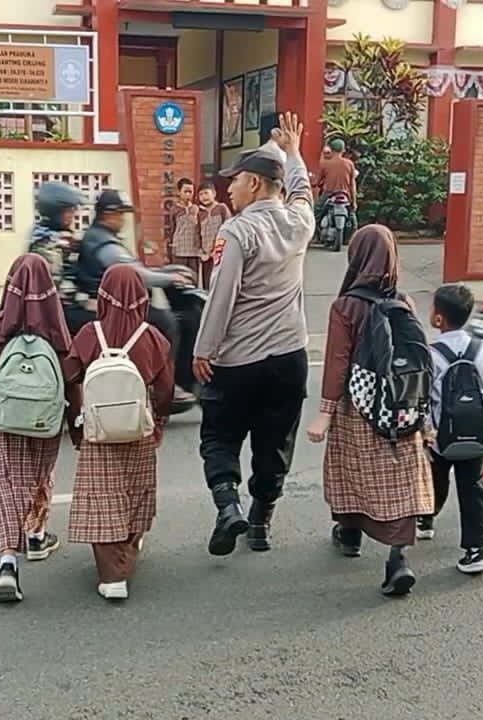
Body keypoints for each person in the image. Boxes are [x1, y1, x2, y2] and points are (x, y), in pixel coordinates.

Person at [193, 112, 312, 557]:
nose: (229, 188)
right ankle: (261, 522)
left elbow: (221, 296)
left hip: (239, 360)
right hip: (289, 356)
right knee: (275, 441)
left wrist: (203, 349)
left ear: (256, 184)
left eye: (236, 180)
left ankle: (228, 506)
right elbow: (301, 191)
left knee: (220, 437)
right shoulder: (299, 223)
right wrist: (294, 152)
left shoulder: (237, 230)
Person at [305, 224, 434, 596]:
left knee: (352, 472)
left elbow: (337, 362)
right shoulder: (403, 302)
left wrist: (325, 412)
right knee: (401, 478)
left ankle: (350, 535)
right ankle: (398, 558)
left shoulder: (346, 306)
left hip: (358, 406)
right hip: (399, 405)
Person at [0, 253, 81, 603]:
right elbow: (72, 382)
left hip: (6, 421)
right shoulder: (57, 332)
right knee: (38, 477)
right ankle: (36, 534)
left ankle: (8, 561)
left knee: (7, 484)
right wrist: (77, 426)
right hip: (44, 423)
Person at [62, 264, 175, 601]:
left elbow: (69, 377)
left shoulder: (89, 334)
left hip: (99, 434)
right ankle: (129, 548)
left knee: (103, 498)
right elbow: (165, 390)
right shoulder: (152, 338)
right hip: (138, 430)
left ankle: (112, 575)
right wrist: (159, 422)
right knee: (135, 491)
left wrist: (77, 423)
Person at [70, 188, 195, 402]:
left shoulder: (102, 237)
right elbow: (134, 274)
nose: (123, 220)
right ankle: (166, 384)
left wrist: (166, 271)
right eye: (120, 214)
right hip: (111, 305)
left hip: (113, 303)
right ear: (108, 214)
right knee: (166, 322)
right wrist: (169, 278)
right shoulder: (103, 243)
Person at [419, 283, 483, 575]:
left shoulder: (431, 354)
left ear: (439, 318)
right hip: (476, 435)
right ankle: (477, 550)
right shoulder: (482, 349)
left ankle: (426, 519)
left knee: (434, 477)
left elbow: (425, 397)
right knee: (473, 488)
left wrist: (425, 431)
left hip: (441, 436)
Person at [28, 180, 87, 304]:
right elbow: (55, 284)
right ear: (55, 211)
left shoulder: (61, 235)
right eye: (69, 210)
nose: (73, 214)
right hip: (53, 306)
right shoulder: (43, 241)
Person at [314, 138, 357, 234]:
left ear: (331, 150)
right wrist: (354, 202)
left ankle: (314, 234)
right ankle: (353, 235)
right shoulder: (350, 164)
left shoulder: (325, 163)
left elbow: (318, 181)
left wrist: (317, 183)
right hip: (345, 194)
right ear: (343, 150)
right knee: (352, 216)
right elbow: (352, 185)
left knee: (316, 212)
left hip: (328, 194)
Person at [196, 180, 232, 289]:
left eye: (206, 193)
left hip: (220, 253)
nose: (204, 197)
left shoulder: (222, 208)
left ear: (214, 194)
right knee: (207, 284)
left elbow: (229, 229)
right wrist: (201, 252)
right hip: (206, 256)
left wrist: (218, 250)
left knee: (220, 284)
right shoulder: (200, 213)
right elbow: (198, 233)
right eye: (201, 194)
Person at [168, 178, 201, 274]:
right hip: (179, 250)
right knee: (180, 277)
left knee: (193, 277)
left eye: (190, 192)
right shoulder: (174, 210)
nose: (188, 194)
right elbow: (172, 228)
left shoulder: (196, 209)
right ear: (179, 192)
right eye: (185, 191)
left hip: (193, 251)